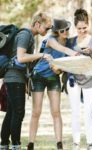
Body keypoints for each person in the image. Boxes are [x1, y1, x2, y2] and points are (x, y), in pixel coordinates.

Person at [0, 12, 53, 150]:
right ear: (37, 24)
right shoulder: (25, 35)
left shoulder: (29, 36)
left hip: (15, 78)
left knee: (12, 112)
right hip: (14, 78)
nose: (47, 31)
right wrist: (42, 54)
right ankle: (16, 145)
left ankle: (4, 144)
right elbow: (21, 57)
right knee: (18, 112)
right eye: (46, 28)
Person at [27, 19, 78, 150]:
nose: (65, 32)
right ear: (56, 32)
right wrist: (75, 54)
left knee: (56, 111)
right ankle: (31, 143)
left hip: (53, 77)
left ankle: (59, 144)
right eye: (62, 30)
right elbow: (63, 49)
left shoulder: (69, 42)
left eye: (67, 29)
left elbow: (63, 64)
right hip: (38, 76)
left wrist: (60, 69)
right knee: (36, 112)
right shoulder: (51, 40)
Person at [67, 9, 92, 150]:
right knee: (75, 111)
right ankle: (76, 143)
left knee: (89, 112)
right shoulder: (70, 42)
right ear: (75, 27)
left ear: (88, 25)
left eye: (84, 28)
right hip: (73, 79)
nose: (82, 31)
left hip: (90, 79)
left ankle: (90, 143)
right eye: (79, 28)